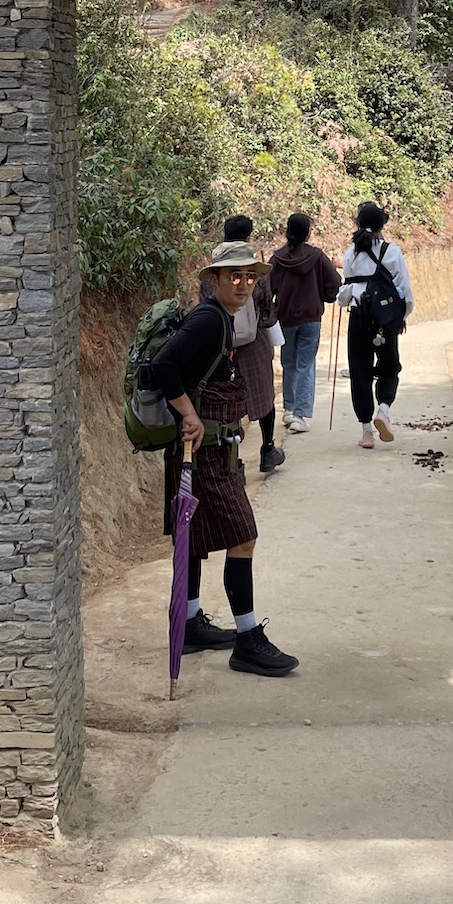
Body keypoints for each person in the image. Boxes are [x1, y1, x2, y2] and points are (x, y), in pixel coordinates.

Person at [149, 240, 299, 677]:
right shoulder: (209, 320)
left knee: (193, 536)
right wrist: (190, 415)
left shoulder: (221, 319)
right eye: (234, 275)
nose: (244, 283)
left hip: (207, 450)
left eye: (250, 276)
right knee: (244, 535)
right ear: (212, 279)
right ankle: (248, 639)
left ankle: (192, 623)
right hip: (204, 451)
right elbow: (163, 366)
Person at [212, 214, 285, 473]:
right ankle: (268, 449)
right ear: (249, 236)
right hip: (254, 344)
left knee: (230, 405)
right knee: (264, 396)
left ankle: (236, 463)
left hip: (223, 346)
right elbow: (267, 309)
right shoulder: (255, 270)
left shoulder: (214, 271)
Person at [338, 199, 413, 450]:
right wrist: (401, 317)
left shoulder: (350, 254)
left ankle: (366, 432)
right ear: (382, 225)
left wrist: (343, 299)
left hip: (358, 316)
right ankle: (383, 410)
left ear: (359, 224)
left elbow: (346, 291)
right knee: (389, 365)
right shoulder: (391, 252)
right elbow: (404, 291)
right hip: (385, 320)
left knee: (360, 372)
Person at [268, 212, 341, 433]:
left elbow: (266, 288)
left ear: (287, 230)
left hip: (286, 318)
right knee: (305, 365)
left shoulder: (278, 258)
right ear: (308, 232)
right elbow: (335, 284)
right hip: (311, 319)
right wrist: (324, 297)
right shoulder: (317, 256)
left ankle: (289, 409)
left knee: (288, 363)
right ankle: (299, 415)